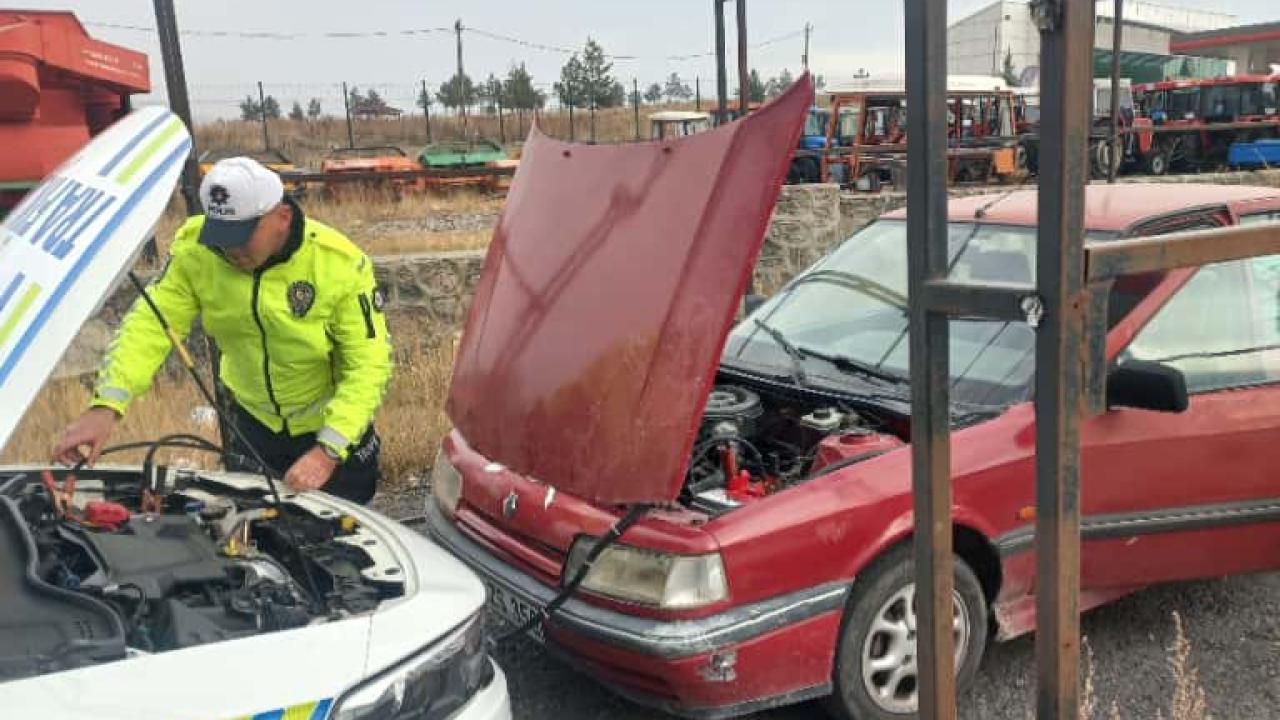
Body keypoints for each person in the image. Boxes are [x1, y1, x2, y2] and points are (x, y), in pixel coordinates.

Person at [54, 157, 393, 504]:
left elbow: (369, 365)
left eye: (243, 237)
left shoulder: (338, 263)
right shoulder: (196, 251)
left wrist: (328, 451)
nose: (230, 251)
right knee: (251, 534)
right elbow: (151, 324)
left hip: (332, 431)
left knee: (346, 543)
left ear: (282, 217)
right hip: (251, 426)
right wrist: (106, 407)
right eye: (222, 237)